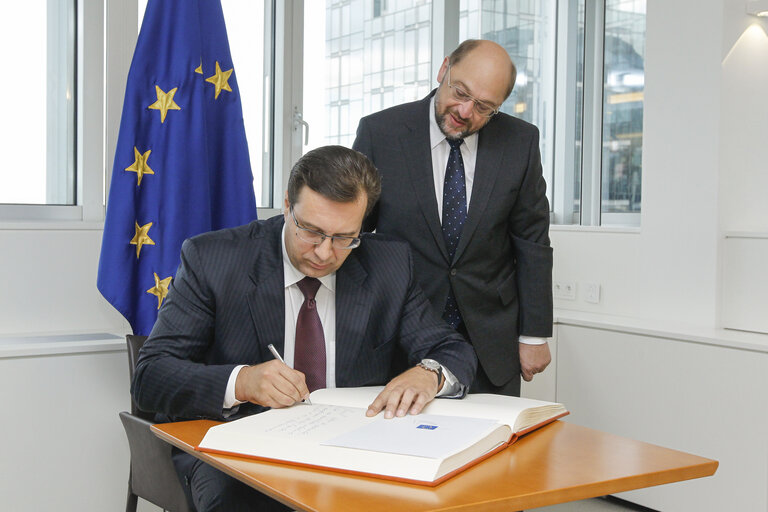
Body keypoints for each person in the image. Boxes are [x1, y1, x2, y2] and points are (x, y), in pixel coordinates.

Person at [131, 145, 477, 511]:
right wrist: (243, 382)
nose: (325, 253)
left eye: (345, 237)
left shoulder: (388, 264)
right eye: (311, 231)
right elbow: (150, 378)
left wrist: (429, 373)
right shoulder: (214, 260)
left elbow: (452, 349)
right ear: (286, 206)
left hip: (354, 450)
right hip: (241, 454)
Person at [353, 39, 552, 397]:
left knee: (493, 448)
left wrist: (534, 334)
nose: (464, 111)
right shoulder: (381, 133)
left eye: (484, 107)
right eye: (460, 92)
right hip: (402, 334)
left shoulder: (520, 142)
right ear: (444, 69)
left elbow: (532, 241)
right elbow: (354, 233)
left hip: (490, 342)